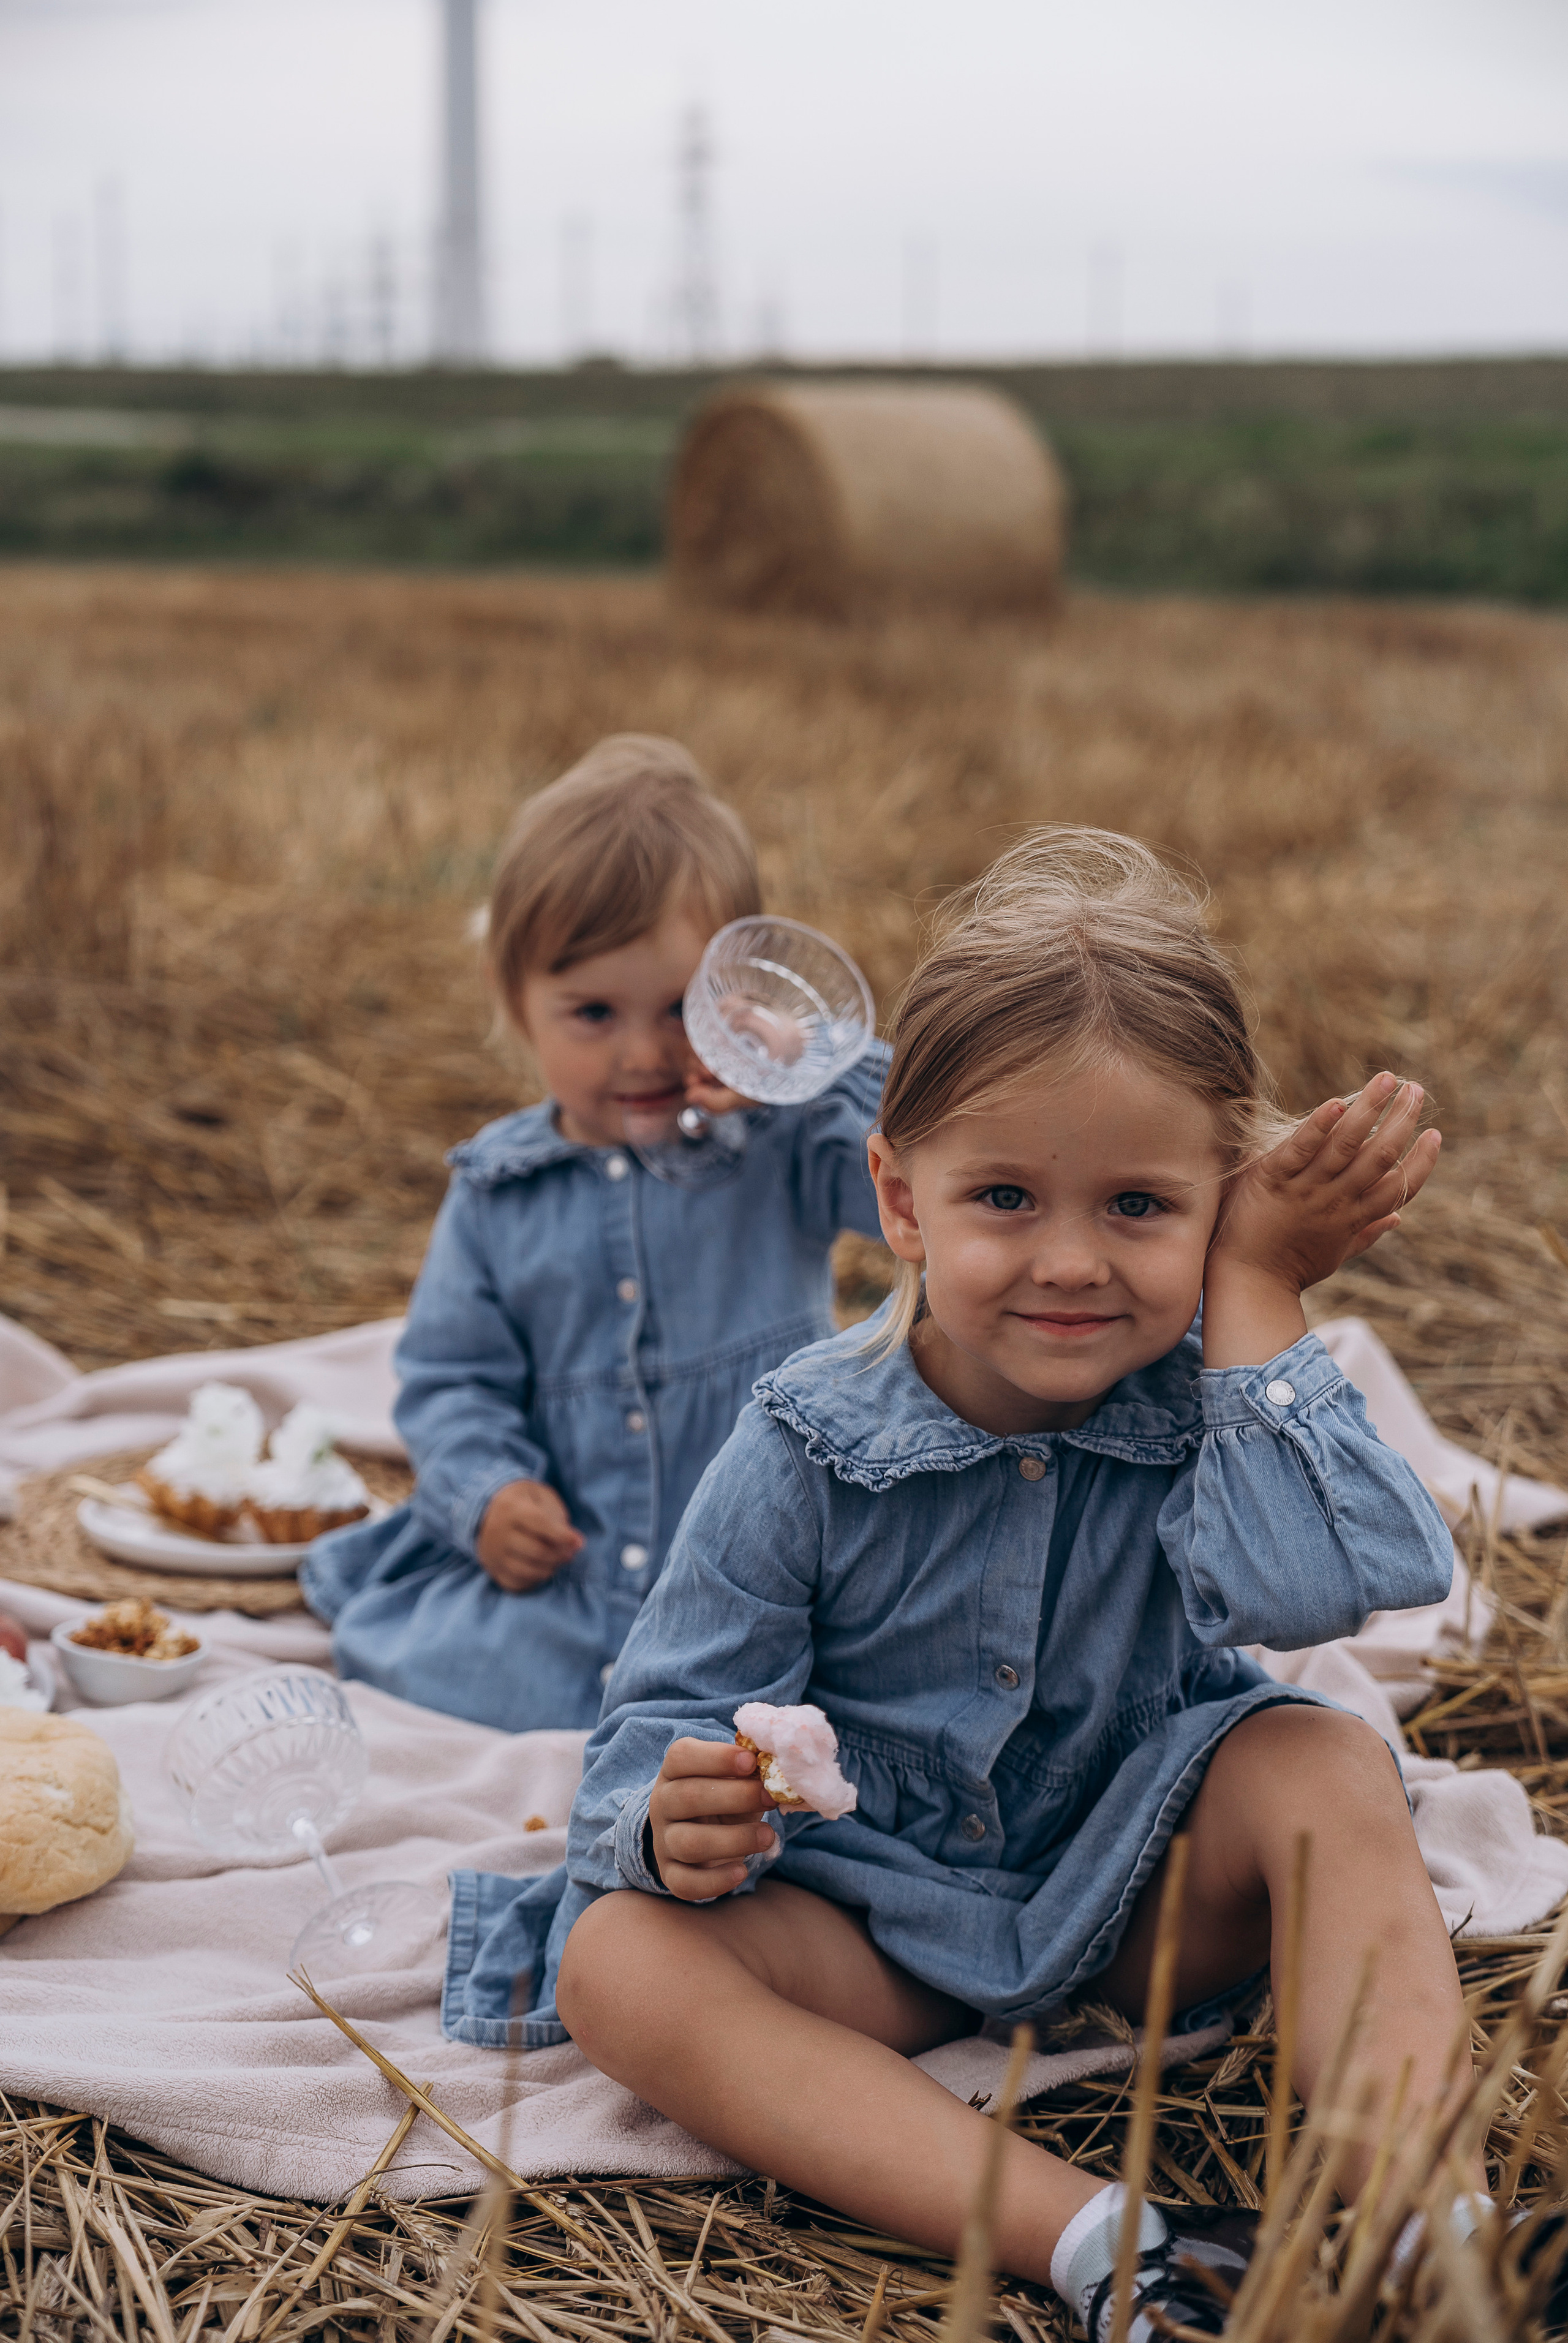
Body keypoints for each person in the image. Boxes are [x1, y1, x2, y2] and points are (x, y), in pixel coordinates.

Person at [442, 826, 1493, 2338]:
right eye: (1002, 1196)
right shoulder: (801, 1443)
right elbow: (654, 1721)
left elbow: (1340, 1585)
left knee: (1322, 1760)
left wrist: (1257, 1291)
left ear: (1218, 1204)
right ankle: (1114, 2245)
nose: (1069, 1261)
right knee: (612, 1961)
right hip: (866, 1923)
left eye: (1138, 1206)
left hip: (1132, 1890)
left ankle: (1426, 2224)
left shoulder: (1205, 1401)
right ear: (900, 1198)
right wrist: (670, 1822)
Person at [303, 734, 887, 1731]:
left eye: (682, 1009)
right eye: (593, 1013)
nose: (645, 1052)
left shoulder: (785, 1143)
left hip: (768, 1573)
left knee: (847, 1691)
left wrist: (815, 1069)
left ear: (738, 995)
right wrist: (489, 1497)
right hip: (574, 1580)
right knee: (438, 1669)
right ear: (519, 1006)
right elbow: (452, 1380)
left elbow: (933, 1175)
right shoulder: (499, 1193)